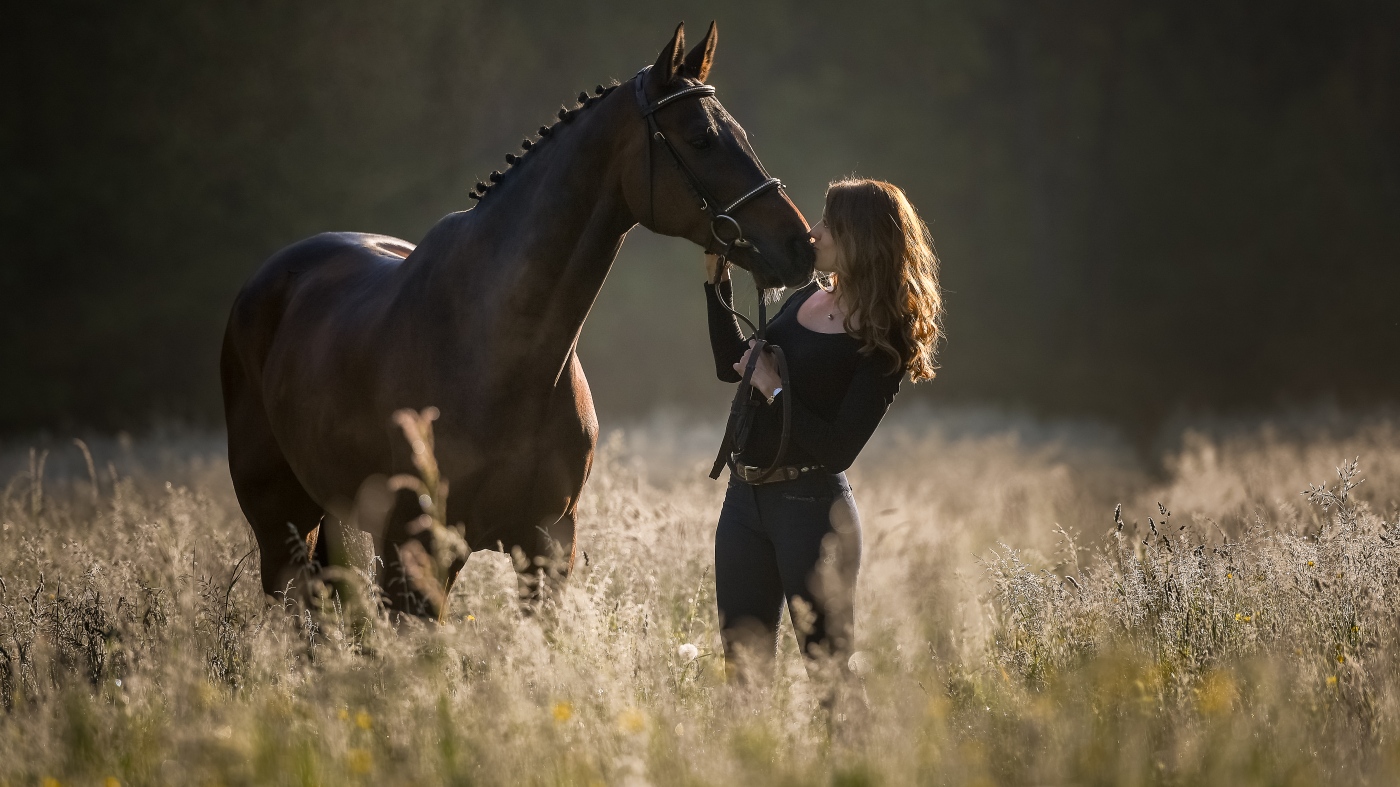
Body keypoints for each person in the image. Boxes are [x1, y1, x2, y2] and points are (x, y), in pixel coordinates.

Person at [704, 178, 943, 679]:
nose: (813, 233)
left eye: (828, 224)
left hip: (811, 512)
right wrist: (716, 286)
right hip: (744, 502)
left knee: (828, 671)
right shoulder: (804, 299)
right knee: (742, 671)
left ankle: (850, 758)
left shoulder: (884, 334)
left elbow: (837, 449)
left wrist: (774, 390)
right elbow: (734, 364)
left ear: (859, 235)